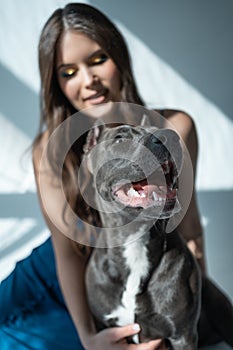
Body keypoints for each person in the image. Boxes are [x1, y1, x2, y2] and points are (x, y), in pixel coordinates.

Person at [0, 3, 229, 349]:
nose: (88, 81)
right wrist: (89, 338)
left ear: (118, 58)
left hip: (142, 278)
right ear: (56, 83)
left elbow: (189, 228)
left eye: (97, 60)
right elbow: (66, 254)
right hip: (60, 283)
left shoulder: (173, 128)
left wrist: (186, 310)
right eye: (68, 72)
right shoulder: (51, 148)